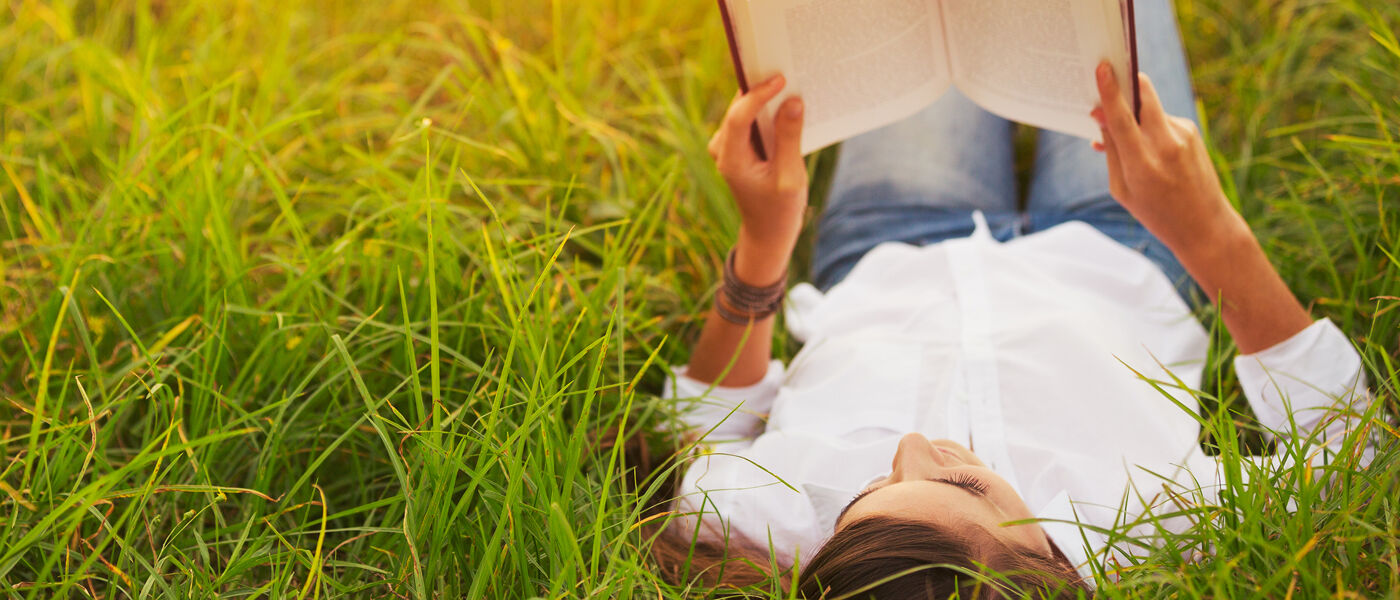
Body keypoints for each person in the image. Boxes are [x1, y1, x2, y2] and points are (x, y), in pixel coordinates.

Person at [649, 0, 1372, 596]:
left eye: (869, 487)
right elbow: (1352, 455)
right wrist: (1210, 233)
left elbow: (702, 425)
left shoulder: (788, 537)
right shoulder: (1152, 526)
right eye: (965, 483)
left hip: (894, 241)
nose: (909, 446)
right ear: (1054, 569)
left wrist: (763, 245)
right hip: (1124, 243)